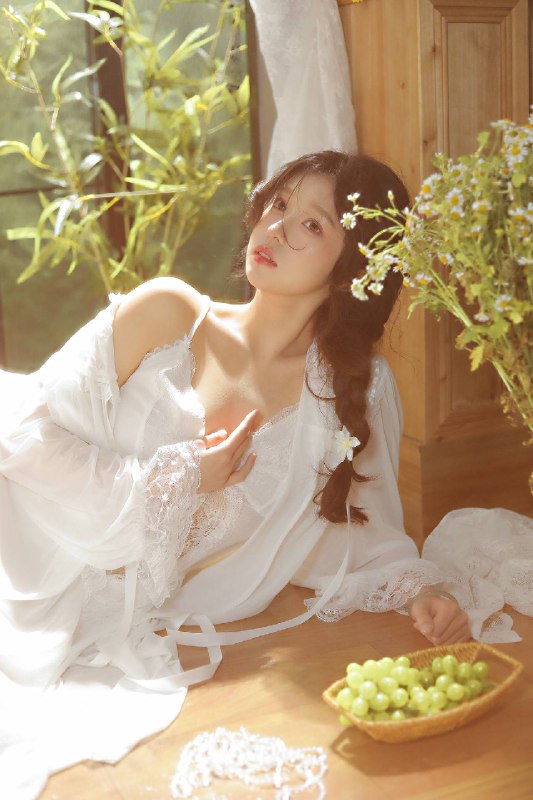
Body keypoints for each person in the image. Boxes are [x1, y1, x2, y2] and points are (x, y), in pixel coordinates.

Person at [1, 151, 526, 798]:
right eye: (279, 204)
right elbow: (21, 436)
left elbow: (358, 532)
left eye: (312, 224)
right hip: (30, 552)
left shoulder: (350, 392)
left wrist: (422, 593)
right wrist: (180, 477)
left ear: (350, 268)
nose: (275, 228)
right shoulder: (166, 313)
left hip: (150, 622)